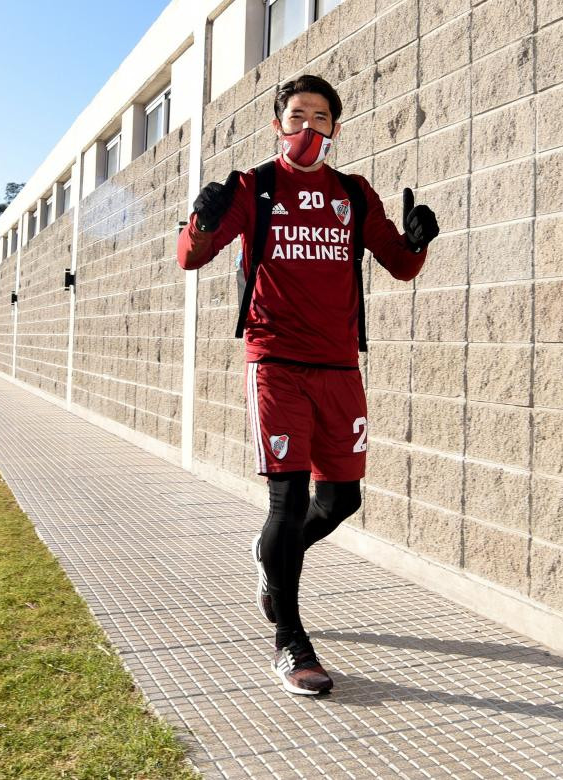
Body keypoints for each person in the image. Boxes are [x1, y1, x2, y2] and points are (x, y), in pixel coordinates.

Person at [177, 74, 439, 696]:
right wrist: (202, 220)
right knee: (288, 504)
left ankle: (273, 558)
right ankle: (291, 641)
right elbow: (191, 256)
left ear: (336, 129)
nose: (308, 128)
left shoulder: (353, 192)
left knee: (342, 500)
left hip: (340, 367)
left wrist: (419, 241)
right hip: (276, 364)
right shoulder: (255, 187)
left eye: (321, 118)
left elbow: (399, 265)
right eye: (297, 116)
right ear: (278, 124)